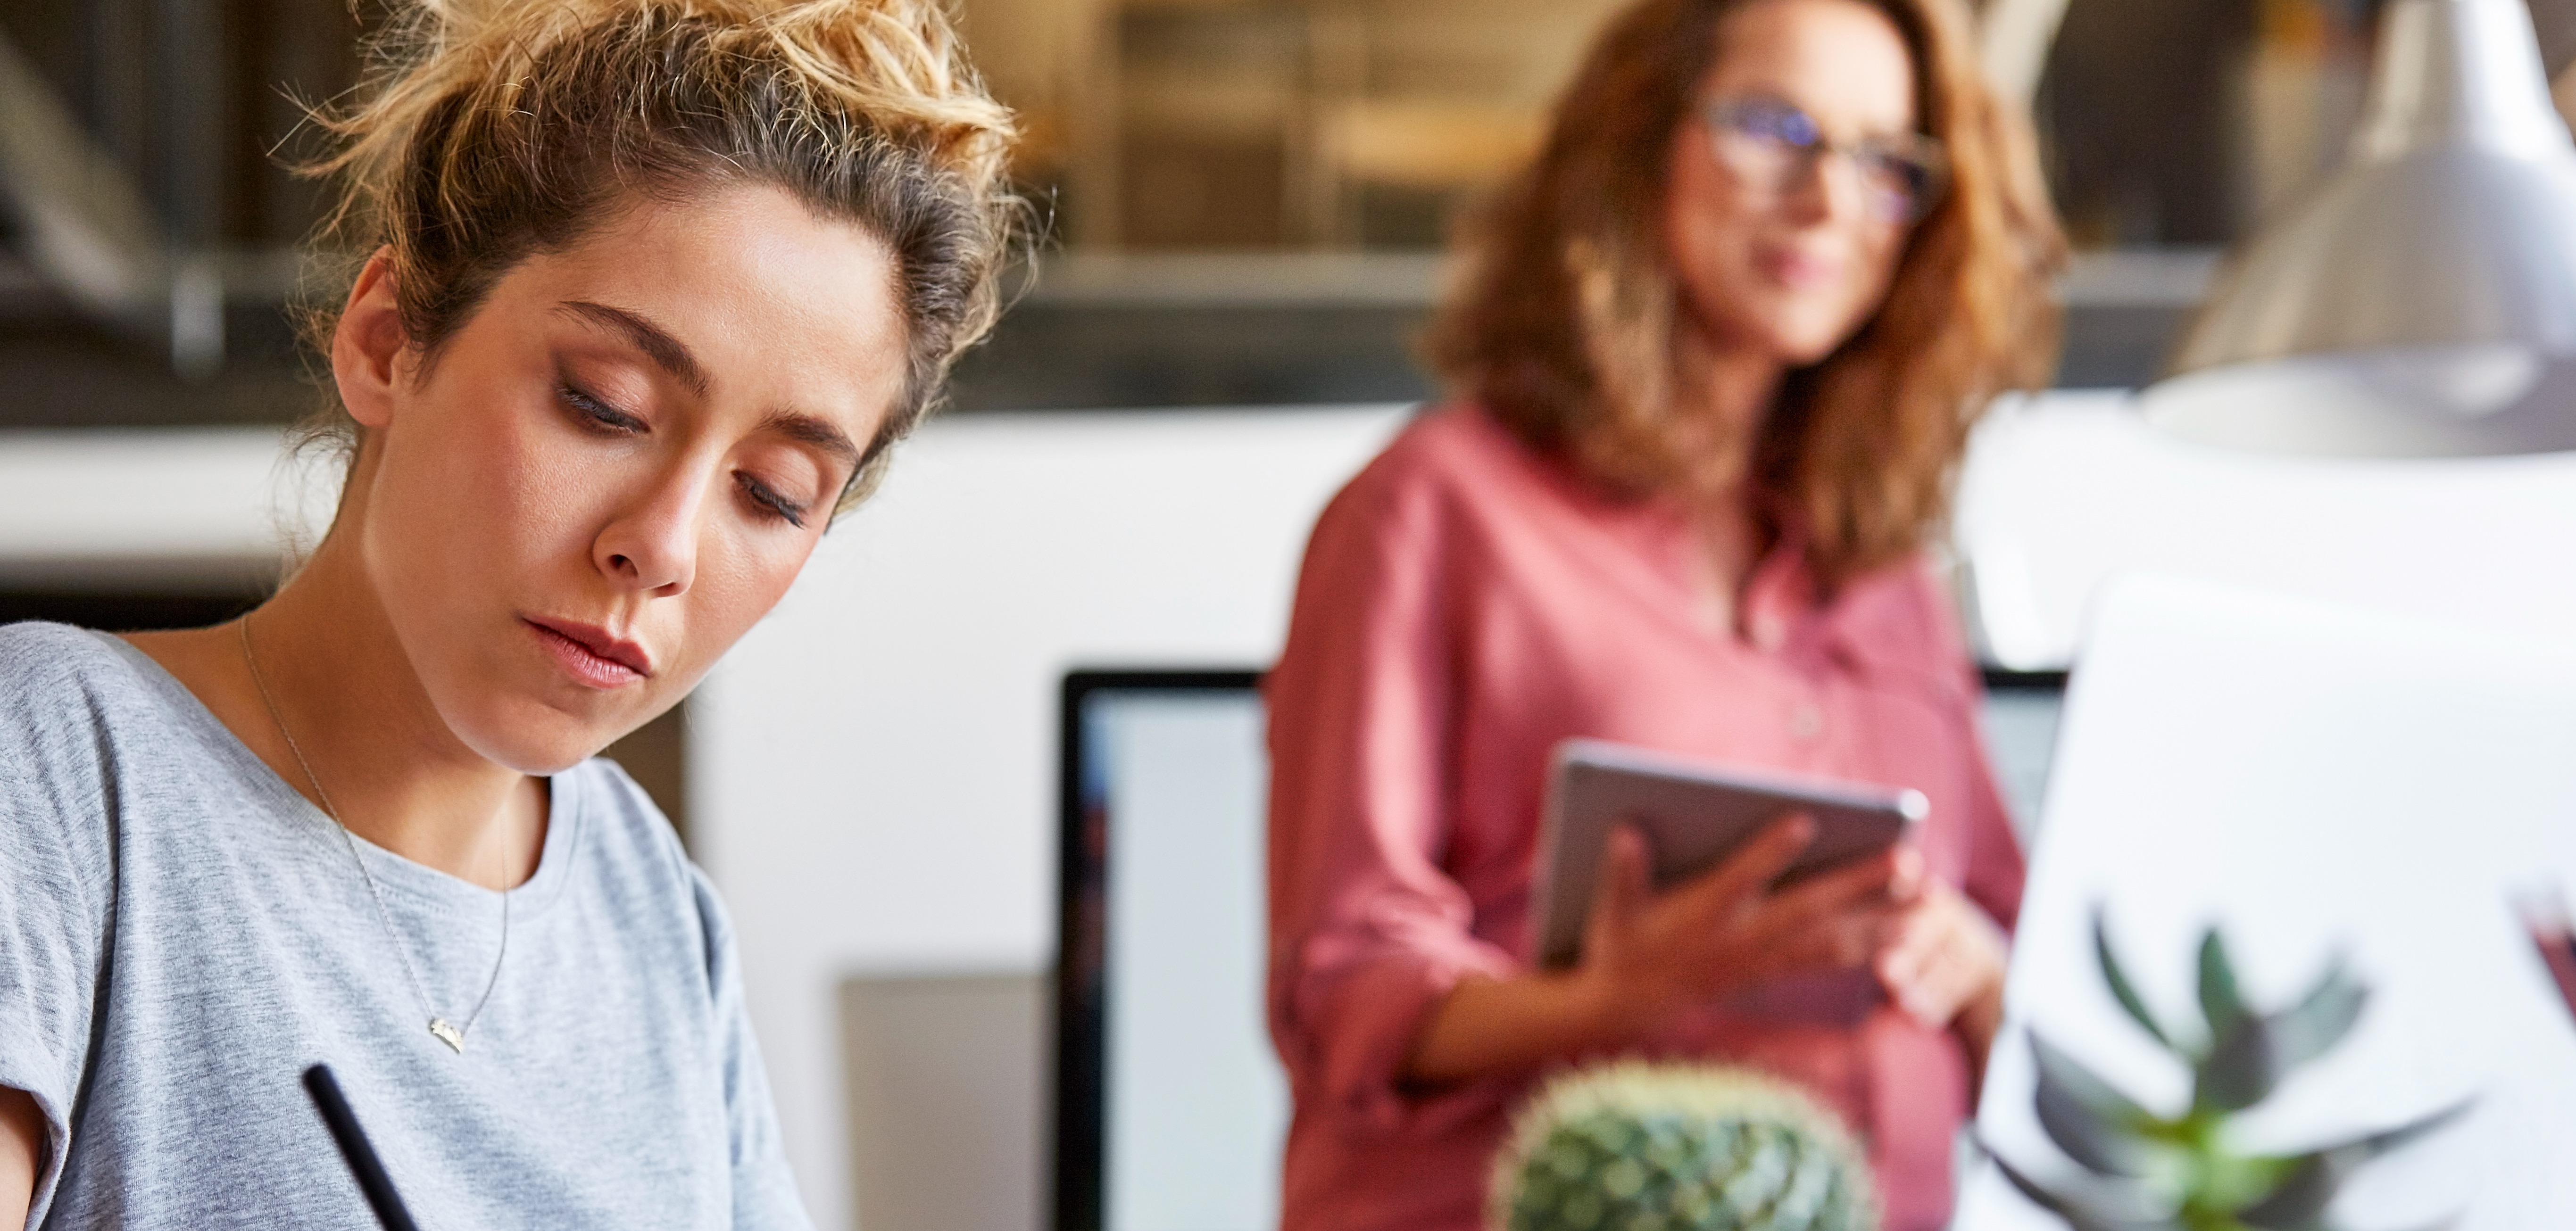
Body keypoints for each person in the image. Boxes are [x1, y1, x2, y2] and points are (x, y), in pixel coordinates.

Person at [0, 1, 1014, 1225]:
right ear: (386, 342)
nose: (662, 543)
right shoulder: (56, 771)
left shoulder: (653, 908)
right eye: (603, 405)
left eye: (773, 493)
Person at [1261, 0, 2062, 1226]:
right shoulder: (1433, 510)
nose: (1828, 198)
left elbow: (2023, 949)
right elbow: (1343, 986)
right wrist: (1614, 993)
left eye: (1884, 160)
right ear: (1641, 142)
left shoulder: (1887, 567)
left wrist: (1973, 966)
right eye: (1775, 127)